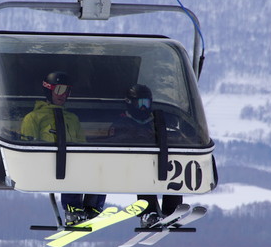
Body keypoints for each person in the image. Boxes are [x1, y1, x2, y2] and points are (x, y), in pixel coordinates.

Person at [20, 71, 106, 225]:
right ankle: (72, 210)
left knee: (98, 167)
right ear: (49, 90)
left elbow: (83, 146)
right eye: (59, 90)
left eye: (67, 91)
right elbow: (27, 147)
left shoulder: (72, 119)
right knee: (71, 166)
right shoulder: (33, 118)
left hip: (72, 163)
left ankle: (92, 207)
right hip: (49, 165)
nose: (63, 95)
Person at [108, 84, 182, 226]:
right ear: (130, 103)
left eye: (146, 103)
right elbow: (117, 141)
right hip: (133, 164)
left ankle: (171, 210)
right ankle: (149, 212)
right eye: (140, 103)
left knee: (173, 173)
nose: (143, 108)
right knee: (144, 178)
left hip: (158, 160)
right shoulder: (122, 123)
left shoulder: (156, 121)